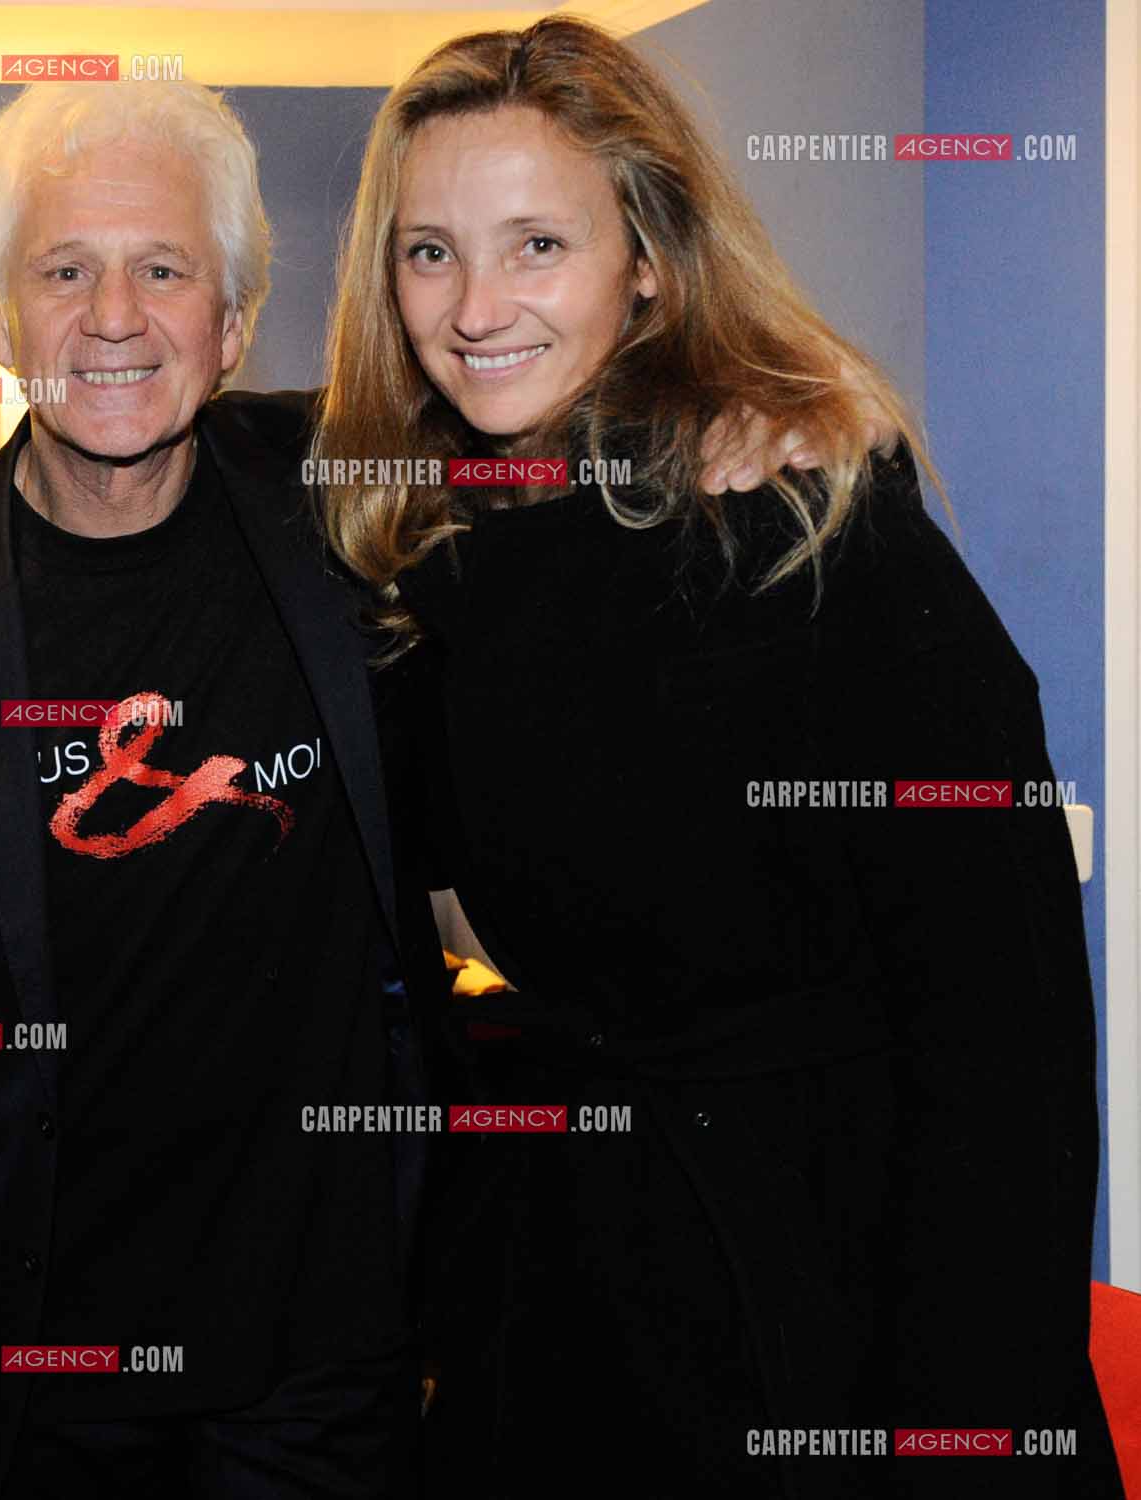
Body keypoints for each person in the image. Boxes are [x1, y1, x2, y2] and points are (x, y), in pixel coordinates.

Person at [0, 79, 844, 1499]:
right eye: (64, 271)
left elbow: (566, 411)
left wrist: (754, 419)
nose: (114, 317)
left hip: (332, 1352)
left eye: (164, 269)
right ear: (2, 320)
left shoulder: (348, 499)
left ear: (234, 321)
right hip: (44, 1357)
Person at [311, 18, 1119, 1497]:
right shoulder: (432, 556)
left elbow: (1004, 1043)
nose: (476, 307)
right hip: (563, 1320)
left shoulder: (810, 526)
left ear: (650, 260)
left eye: (537, 244)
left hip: (833, 1315)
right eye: (430, 252)